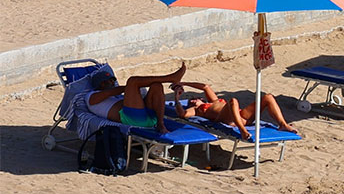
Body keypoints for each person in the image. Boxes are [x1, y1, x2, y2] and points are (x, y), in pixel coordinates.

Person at [169, 79, 297, 136]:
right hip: (226, 119)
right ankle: (242, 130)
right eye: (191, 101)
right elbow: (182, 114)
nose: (193, 100)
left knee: (268, 97)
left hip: (242, 116)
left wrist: (183, 83)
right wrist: (176, 98)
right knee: (233, 101)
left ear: (201, 99)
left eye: (194, 98)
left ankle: (282, 124)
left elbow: (205, 86)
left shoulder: (214, 100)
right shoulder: (197, 110)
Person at [84, 61, 185, 130]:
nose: (112, 83)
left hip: (149, 118)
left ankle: (160, 124)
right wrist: (130, 87)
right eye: (109, 81)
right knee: (132, 81)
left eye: (113, 80)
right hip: (131, 119)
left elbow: (116, 92)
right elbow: (110, 92)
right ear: (101, 84)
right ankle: (171, 78)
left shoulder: (116, 95)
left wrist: (134, 88)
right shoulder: (90, 96)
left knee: (156, 86)